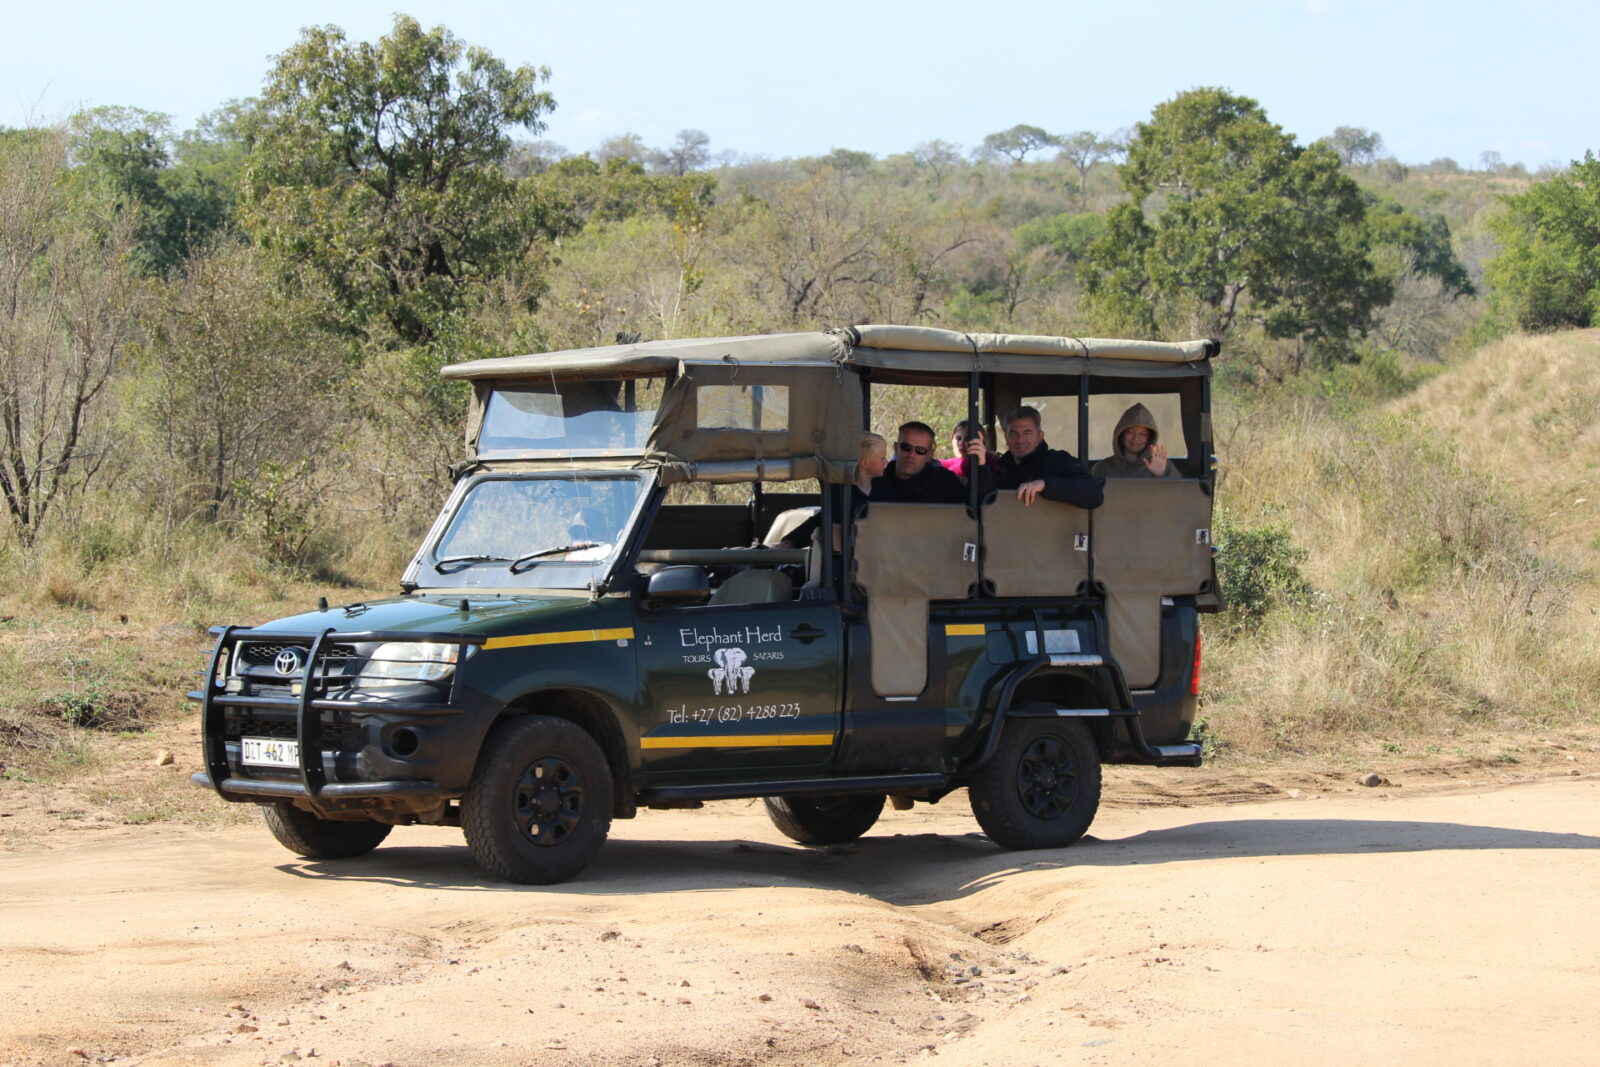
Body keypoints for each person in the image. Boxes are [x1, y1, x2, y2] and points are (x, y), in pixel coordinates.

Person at [776, 433, 890, 549]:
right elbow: (829, 523)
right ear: (865, 463)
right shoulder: (841, 491)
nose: (886, 462)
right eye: (882, 458)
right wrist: (791, 541)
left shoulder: (886, 487)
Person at [994, 406, 1103, 508]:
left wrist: (1045, 484)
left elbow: (1094, 495)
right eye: (1013, 434)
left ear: (1040, 436)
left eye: (1027, 433)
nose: (1020, 440)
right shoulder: (996, 467)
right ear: (1006, 437)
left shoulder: (1058, 461)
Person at [874, 421, 971, 503]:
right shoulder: (876, 481)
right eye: (906, 447)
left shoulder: (945, 483)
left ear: (929, 455)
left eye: (920, 451)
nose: (911, 454)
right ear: (896, 448)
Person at [1091, 403, 1181, 479]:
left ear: (1150, 437)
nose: (1136, 438)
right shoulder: (1103, 468)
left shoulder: (1163, 465)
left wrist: (1161, 475)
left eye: (1143, 433)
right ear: (1121, 434)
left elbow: (1181, 495)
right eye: (1130, 432)